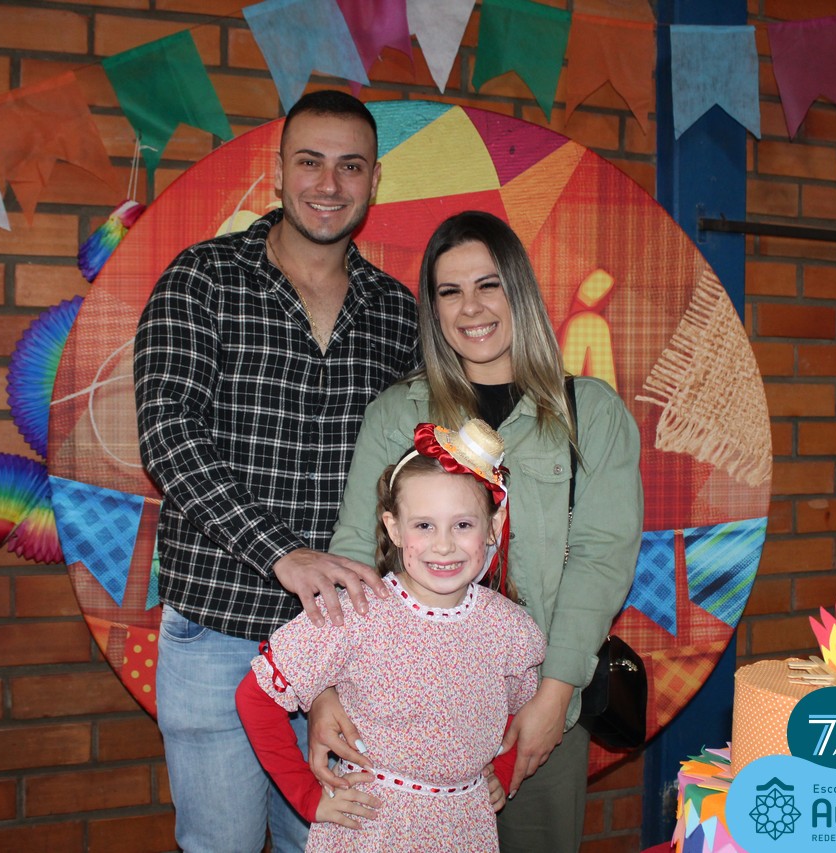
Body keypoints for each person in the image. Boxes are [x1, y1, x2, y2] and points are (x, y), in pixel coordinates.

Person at [132, 90, 419, 853]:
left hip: (344, 644)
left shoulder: (398, 312)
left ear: (374, 180)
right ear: (279, 171)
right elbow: (168, 435)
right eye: (311, 162)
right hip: (217, 630)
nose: (329, 183)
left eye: (350, 166)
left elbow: (418, 466)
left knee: (330, 845)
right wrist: (281, 552)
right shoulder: (201, 278)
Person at [315, 210, 644, 851]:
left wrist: (554, 697)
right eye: (450, 291)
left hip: (537, 706)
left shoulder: (591, 413)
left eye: (488, 284)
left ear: (519, 290)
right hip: (402, 714)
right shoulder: (398, 412)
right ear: (433, 308)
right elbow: (354, 553)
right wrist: (327, 686)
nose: (471, 307)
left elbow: (601, 561)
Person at [236, 420, 546, 852]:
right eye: (424, 526)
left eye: (463, 525)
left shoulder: (510, 629)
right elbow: (256, 698)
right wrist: (307, 798)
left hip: (465, 829)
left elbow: (516, 709)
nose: (444, 545)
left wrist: (504, 768)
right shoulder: (356, 612)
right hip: (371, 827)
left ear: (494, 525)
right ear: (394, 527)